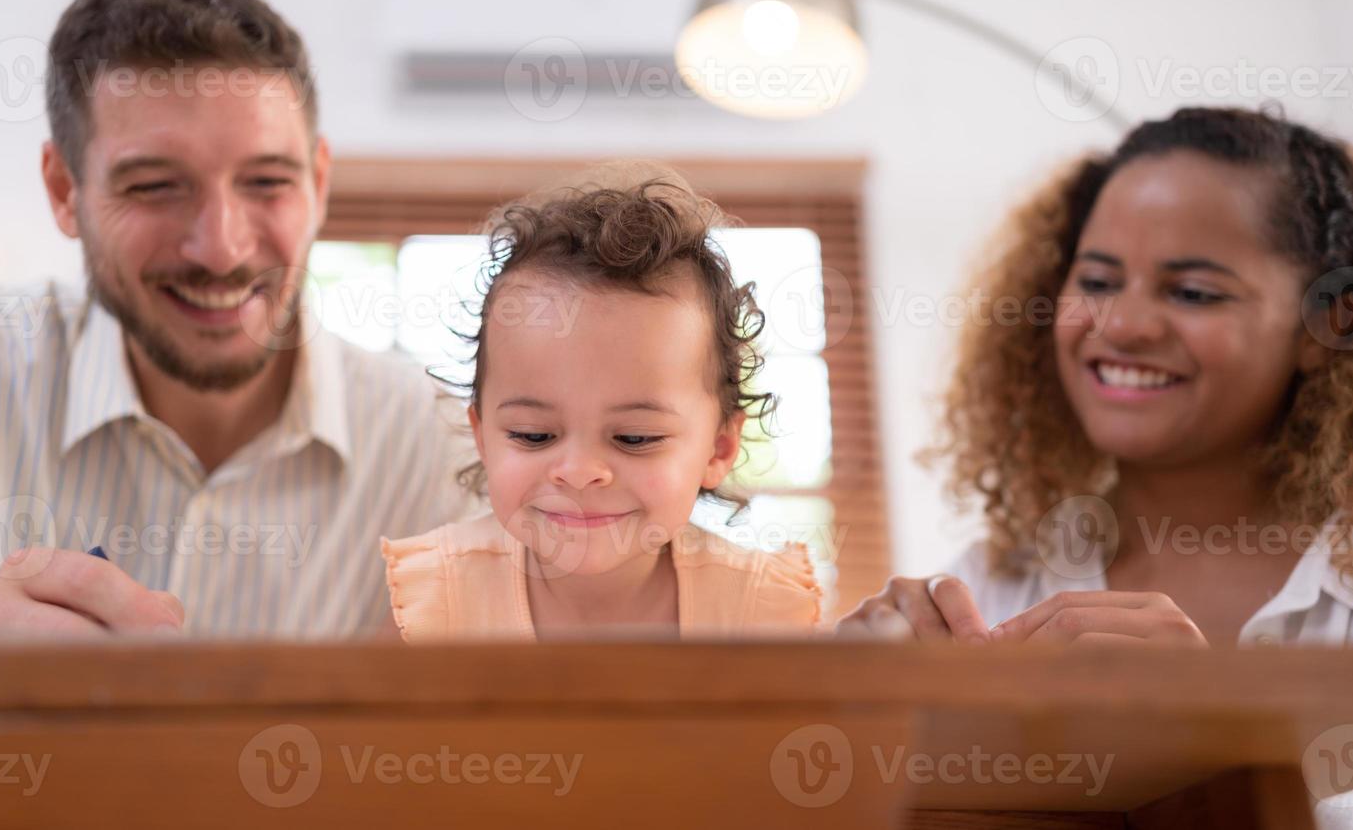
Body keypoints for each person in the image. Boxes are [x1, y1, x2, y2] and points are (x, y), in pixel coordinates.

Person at [0, 0, 469, 649]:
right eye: (156, 186)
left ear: (319, 181)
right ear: (64, 189)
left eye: (267, 182)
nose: (220, 249)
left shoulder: (439, 449)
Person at [841, 107, 1353, 648]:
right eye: (1099, 281)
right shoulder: (992, 588)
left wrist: (1208, 725)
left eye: (1194, 292)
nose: (1124, 326)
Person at [381, 167, 821, 641]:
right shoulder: (436, 598)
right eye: (533, 435)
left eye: (635, 438)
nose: (578, 470)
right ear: (482, 436)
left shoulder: (759, 608)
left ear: (718, 449)